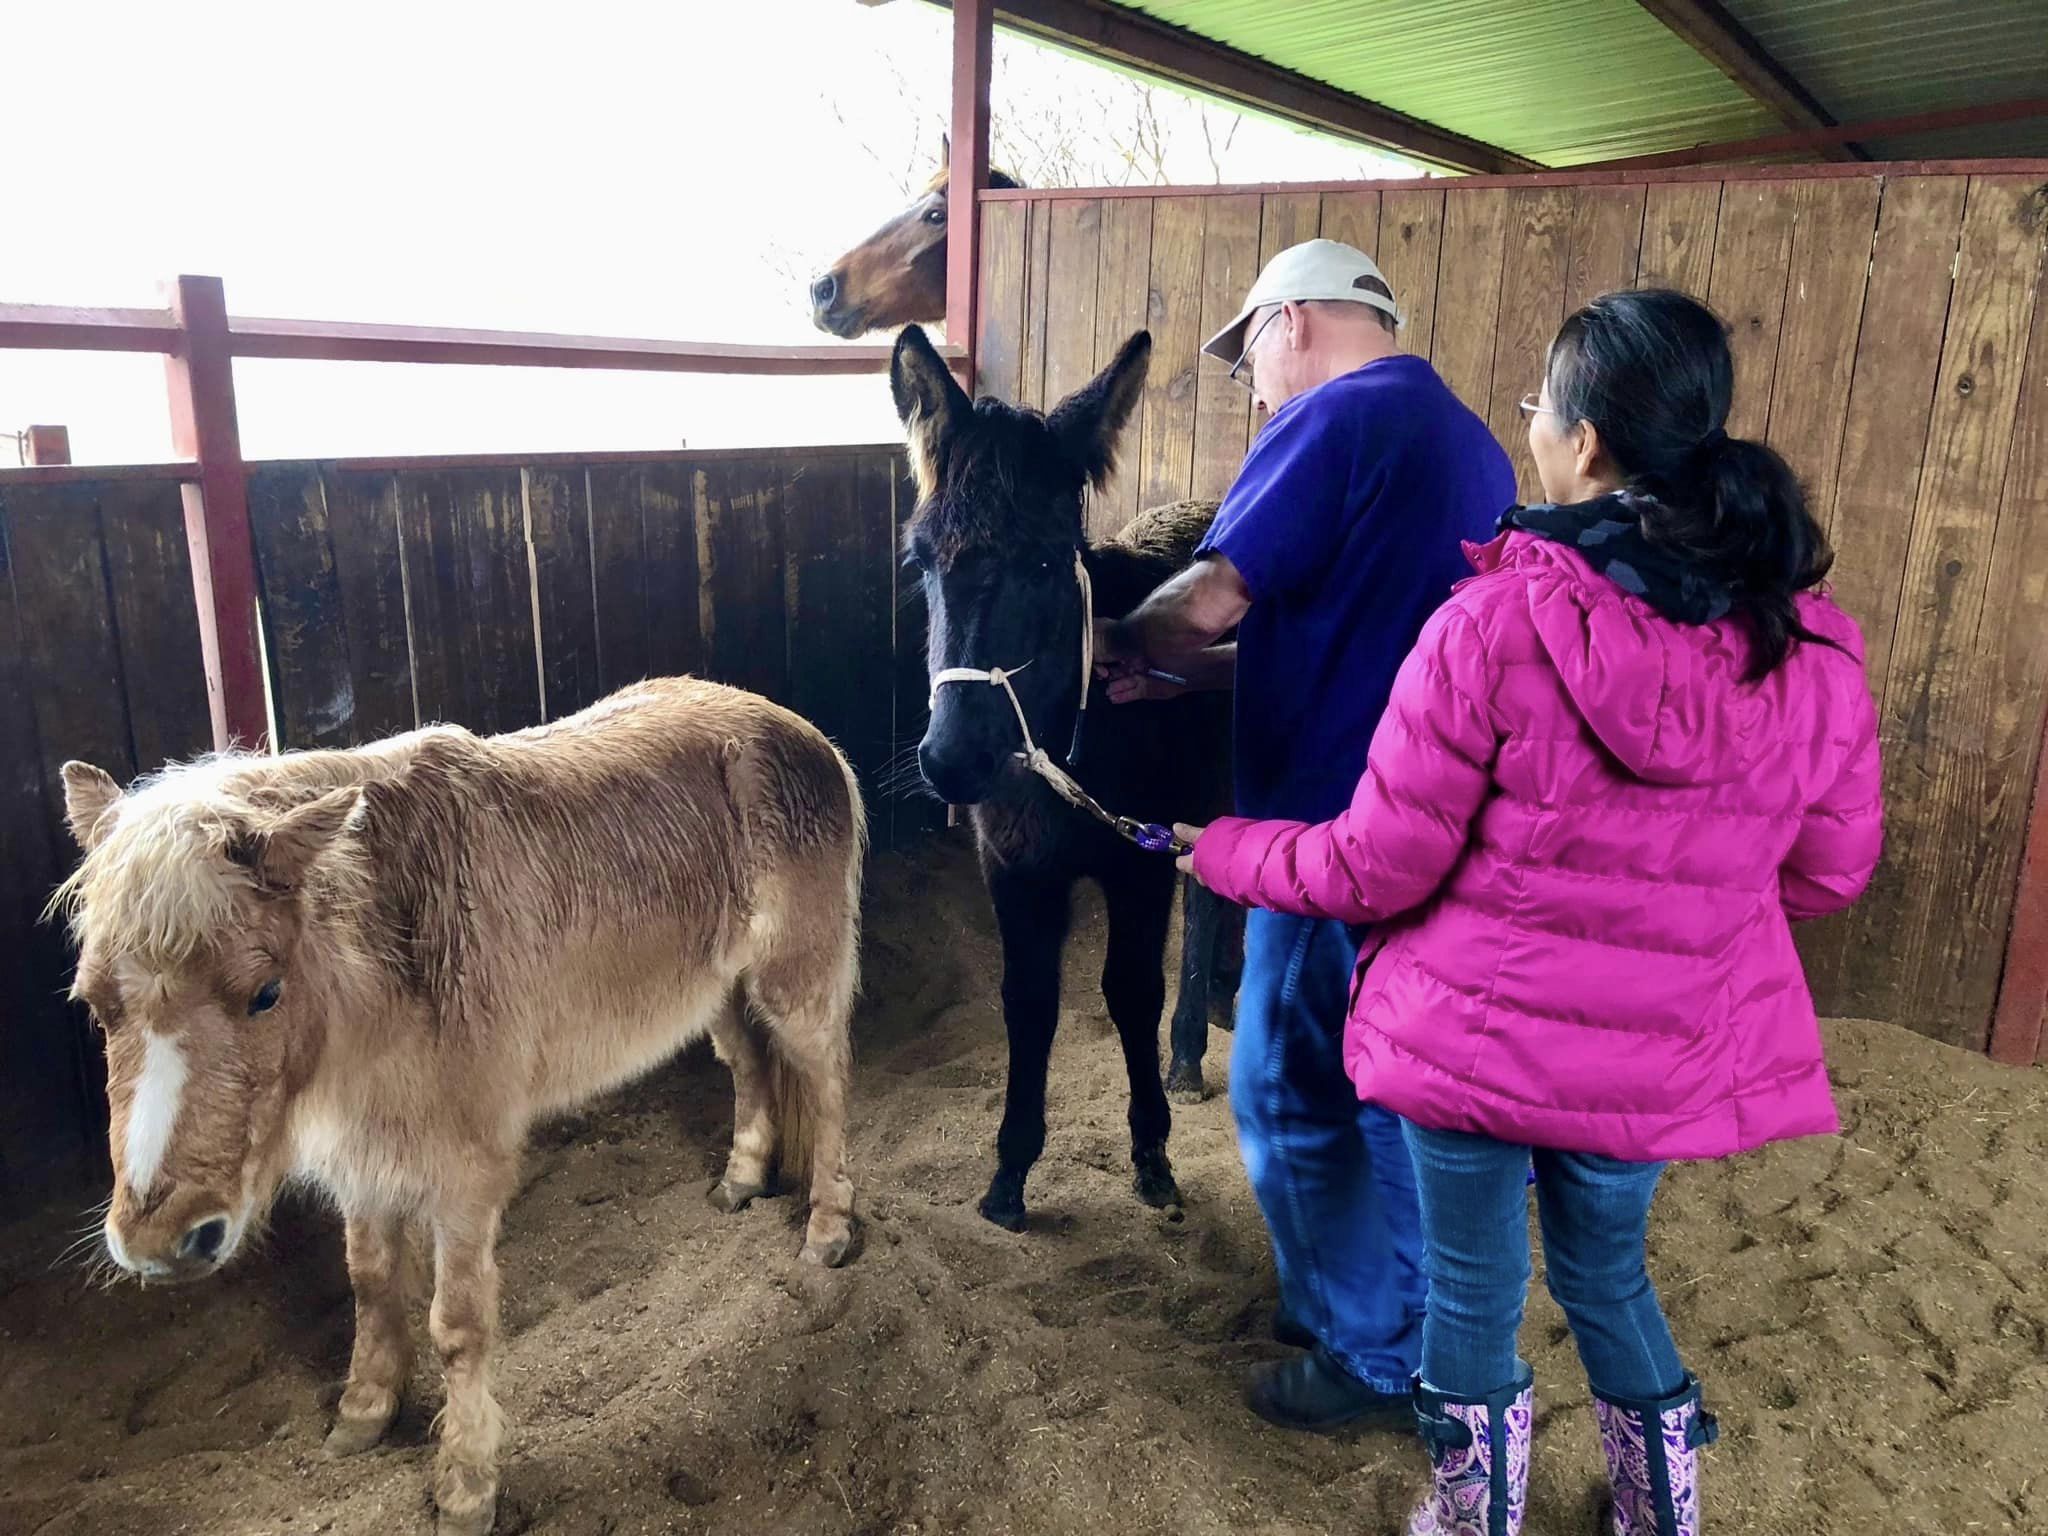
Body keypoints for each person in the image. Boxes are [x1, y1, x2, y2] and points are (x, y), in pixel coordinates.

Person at [1175, 288, 1884, 1536]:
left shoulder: (1490, 623)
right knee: (1608, 1279)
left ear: (1586, 441)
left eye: (1537, 410)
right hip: (1654, 1051)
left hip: (1474, 1044)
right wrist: (1689, 885)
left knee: (1471, 1292)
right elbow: (1828, 873)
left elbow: (1376, 866)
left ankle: (1471, 1517)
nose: (1531, 430)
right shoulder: (1808, 649)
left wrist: (1229, 848)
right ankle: (1659, 1513)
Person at [1098, 238, 1516, 1430]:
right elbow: (1359, 635)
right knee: (1381, 1086)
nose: (1254, 392)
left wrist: (1116, 641)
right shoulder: (1465, 442)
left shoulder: (1331, 419)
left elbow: (1209, 598)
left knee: (1284, 1079)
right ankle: (1389, 1312)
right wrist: (1194, 681)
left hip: (1325, 825)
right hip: (1436, 826)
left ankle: (1364, 1350)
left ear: (1288, 321)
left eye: (1248, 365)